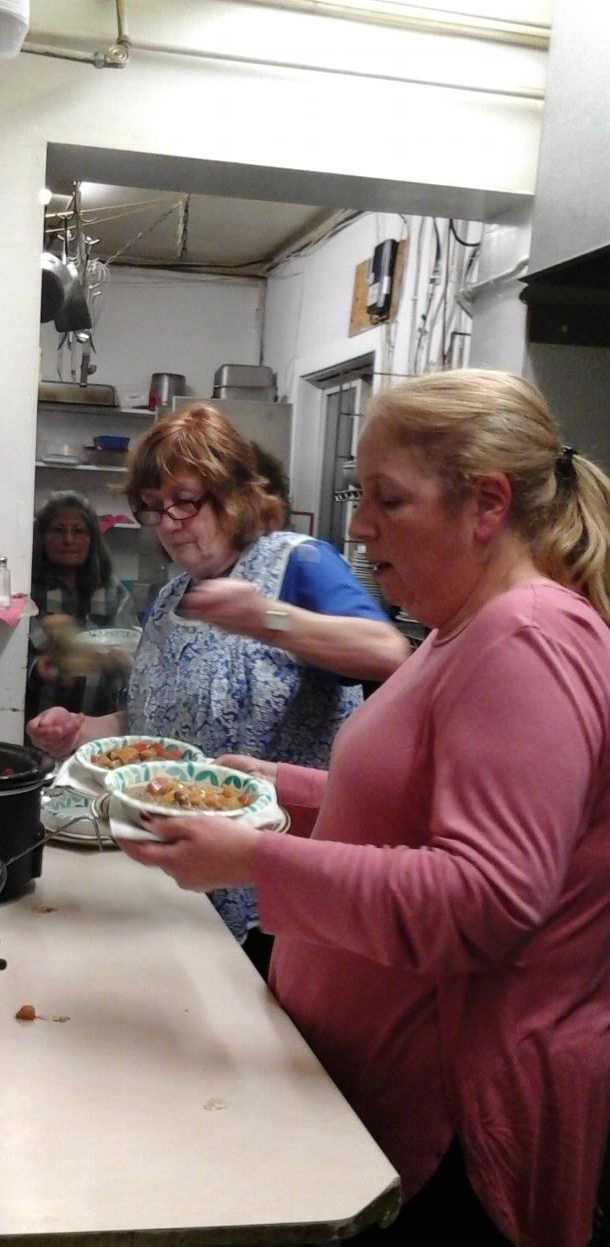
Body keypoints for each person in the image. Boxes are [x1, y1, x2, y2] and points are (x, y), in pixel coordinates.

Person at [113, 369, 610, 1247]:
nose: (358, 524)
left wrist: (254, 858)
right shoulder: (460, 631)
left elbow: (484, 896)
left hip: (442, 1123)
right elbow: (404, 801)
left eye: (388, 497)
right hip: (373, 1097)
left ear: (486, 504)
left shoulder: (526, 638)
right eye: (358, 491)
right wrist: (274, 786)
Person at [27, 402, 410, 942]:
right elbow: (154, 725)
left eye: (184, 501)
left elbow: (389, 653)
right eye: (154, 508)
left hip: (273, 886)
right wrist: (81, 729)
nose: (169, 524)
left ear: (232, 491)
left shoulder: (296, 564)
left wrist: (267, 619)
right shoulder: (169, 599)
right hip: (182, 871)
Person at [25, 491, 137, 724]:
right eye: (58, 530)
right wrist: (37, 668)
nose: (68, 539)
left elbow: (132, 656)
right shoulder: (27, 593)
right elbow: (11, 660)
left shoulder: (113, 592)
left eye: (79, 531)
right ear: (42, 536)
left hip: (99, 728)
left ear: (92, 538)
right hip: (39, 726)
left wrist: (104, 657)